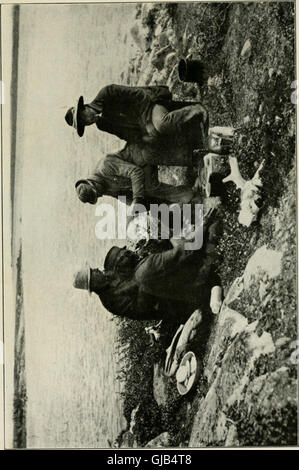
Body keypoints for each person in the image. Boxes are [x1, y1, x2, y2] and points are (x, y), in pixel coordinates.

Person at [73, 218, 222, 323]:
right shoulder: (111, 301)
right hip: (173, 301)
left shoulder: (112, 277)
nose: (98, 270)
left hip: (164, 285)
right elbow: (142, 309)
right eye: (94, 271)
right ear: (92, 282)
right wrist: (145, 282)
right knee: (205, 240)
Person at [65, 84, 209, 147]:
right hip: (145, 125)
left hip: (151, 102)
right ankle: (195, 135)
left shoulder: (107, 93)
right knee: (152, 144)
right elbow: (125, 134)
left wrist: (147, 123)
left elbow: (139, 95)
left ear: (84, 107)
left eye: (84, 117)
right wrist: (144, 138)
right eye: (85, 124)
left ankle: (196, 109)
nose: (88, 121)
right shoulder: (102, 124)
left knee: (162, 124)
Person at [75, 152, 200, 215]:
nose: (101, 195)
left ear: (93, 183)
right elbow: (121, 196)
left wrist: (137, 199)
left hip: (141, 161)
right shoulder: (101, 187)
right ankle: (182, 208)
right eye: (98, 197)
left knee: (150, 189)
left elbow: (135, 172)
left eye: (97, 194)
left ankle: (190, 195)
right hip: (138, 180)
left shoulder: (105, 166)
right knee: (145, 205)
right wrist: (135, 208)